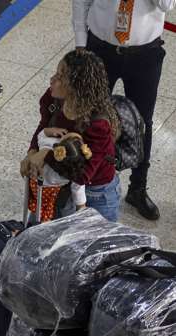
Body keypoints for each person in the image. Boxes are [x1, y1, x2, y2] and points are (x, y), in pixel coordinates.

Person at [74, 0, 174, 221]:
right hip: (100, 49)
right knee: (88, 116)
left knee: (143, 122)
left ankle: (138, 187)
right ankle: (81, 182)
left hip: (145, 54)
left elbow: (167, 5)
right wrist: (81, 43)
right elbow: (81, 1)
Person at [21, 49, 121, 222]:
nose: (52, 79)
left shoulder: (98, 124)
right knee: (39, 232)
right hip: (59, 184)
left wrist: (45, 154)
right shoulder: (53, 98)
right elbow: (44, 126)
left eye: (60, 77)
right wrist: (31, 153)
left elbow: (82, 175)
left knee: (92, 239)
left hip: (95, 193)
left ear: (76, 86)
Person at [28, 131, 91, 221]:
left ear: (59, 150)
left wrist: (49, 130)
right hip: (59, 201)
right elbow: (79, 197)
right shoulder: (75, 173)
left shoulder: (45, 151)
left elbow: (40, 136)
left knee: (35, 219)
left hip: (37, 196)